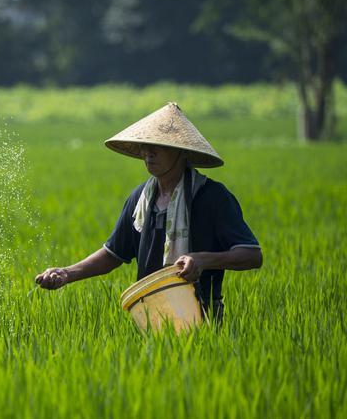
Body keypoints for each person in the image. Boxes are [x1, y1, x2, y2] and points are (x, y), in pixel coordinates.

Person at [34, 102, 262, 321]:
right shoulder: (141, 198)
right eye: (145, 145)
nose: (148, 152)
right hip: (150, 317)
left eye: (159, 146)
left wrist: (202, 260)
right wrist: (67, 273)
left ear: (182, 151)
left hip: (204, 317)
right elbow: (114, 254)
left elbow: (252, 255)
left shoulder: (212, 197)